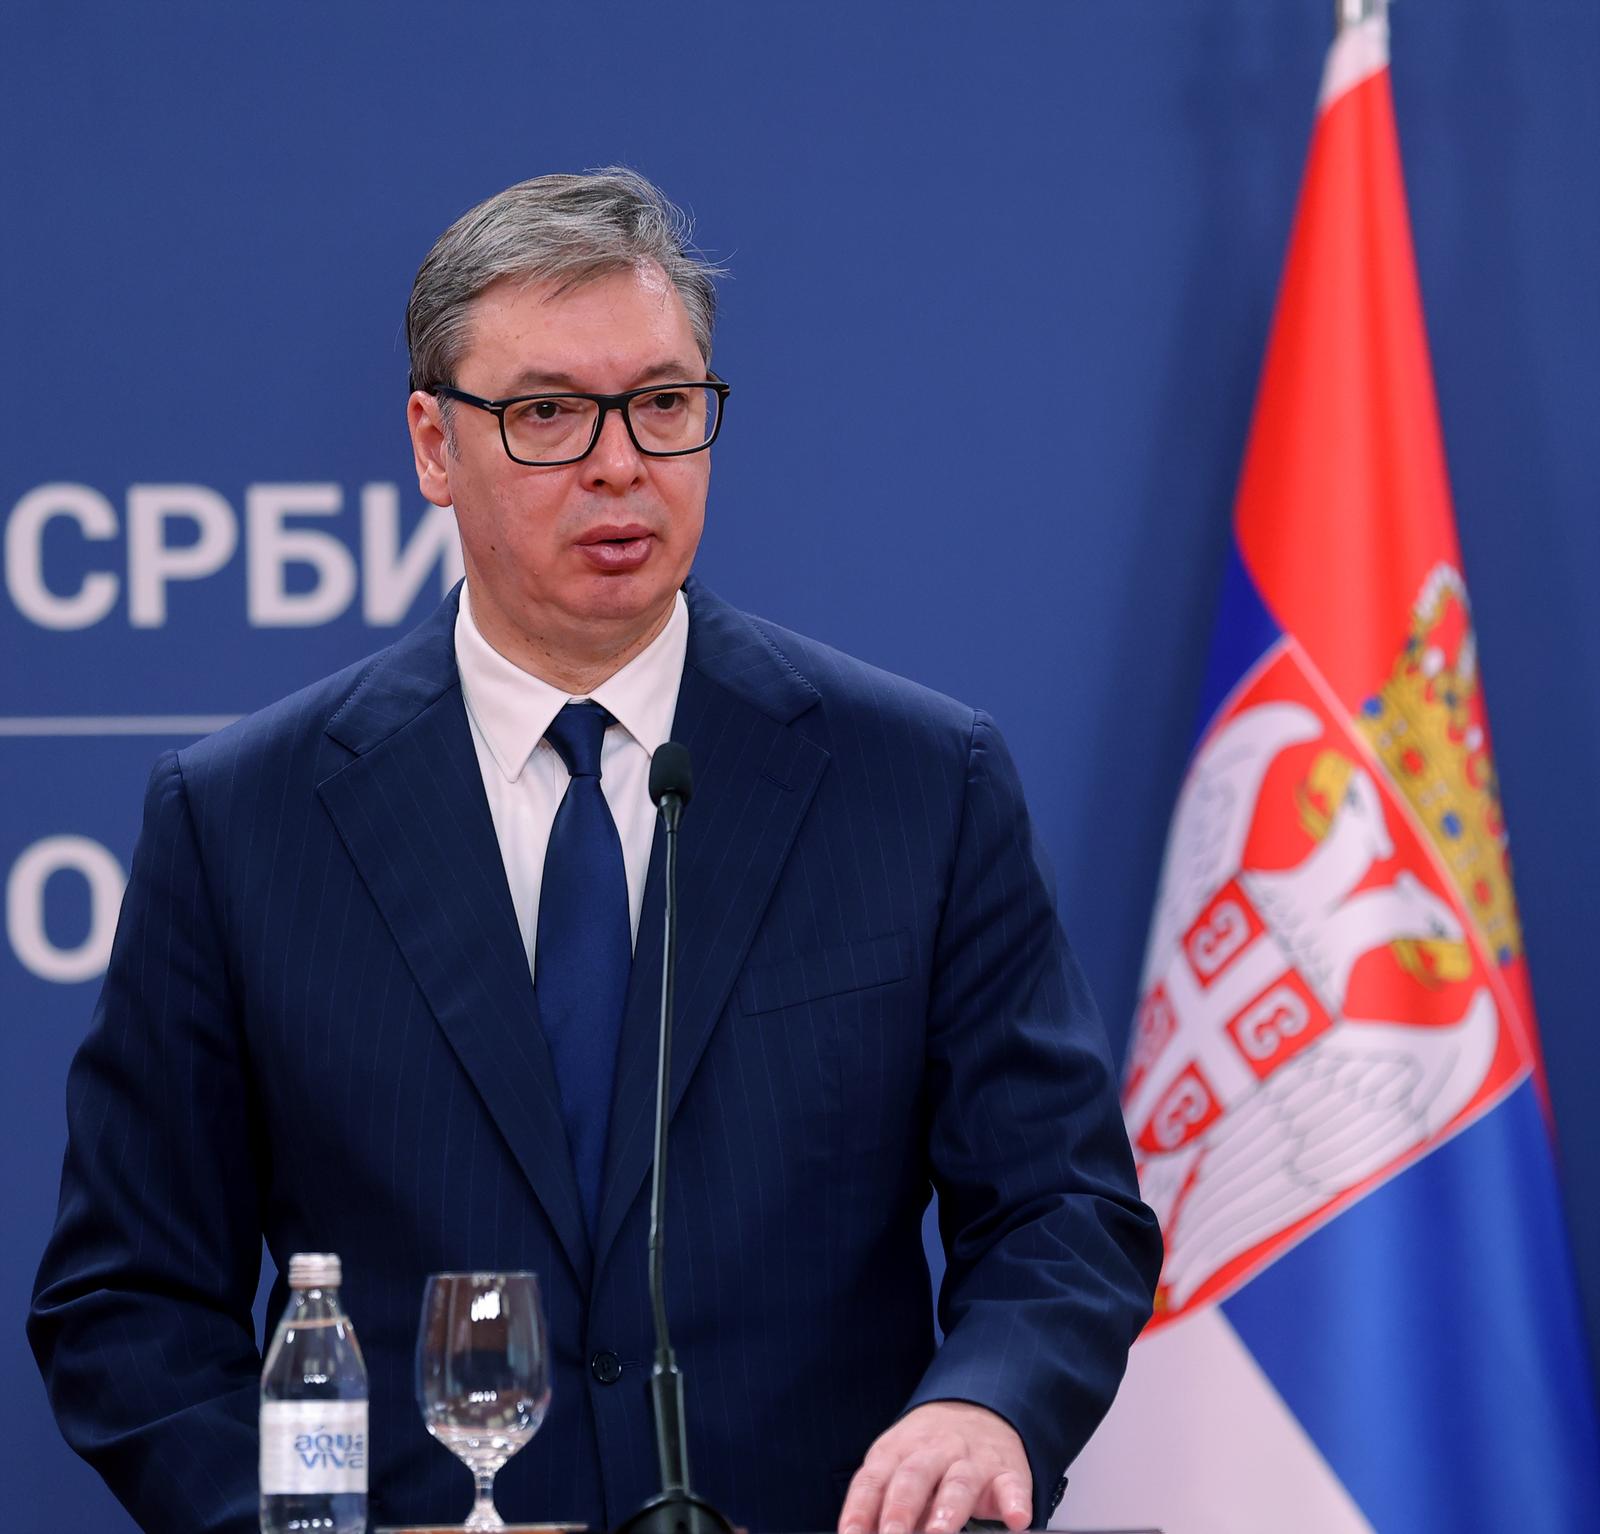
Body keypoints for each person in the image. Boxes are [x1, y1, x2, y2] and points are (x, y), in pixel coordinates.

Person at [30, 168, 1161, 1534]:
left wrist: (987, 1402)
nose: (620, 462)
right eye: (550, 413)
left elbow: (1060, 1208)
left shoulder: (915, 780)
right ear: (434, 447)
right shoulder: (241, 821)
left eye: (665, 406)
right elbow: (127, 1297)